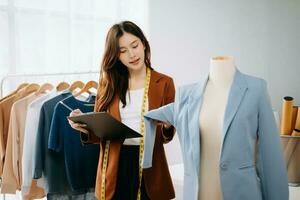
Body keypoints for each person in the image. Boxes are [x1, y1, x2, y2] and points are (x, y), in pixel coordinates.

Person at [143, 56, 289, 200]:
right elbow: (149, 116)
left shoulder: (256, 89)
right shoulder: (186, 94)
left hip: (243, 192)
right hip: (198, 195)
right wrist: (147, 160)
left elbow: (270, 157)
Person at [68, 21, 175, 200]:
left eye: (134, 45)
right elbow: (101, 132)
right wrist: (84, 125)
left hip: (150, 166)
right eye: (122, 51)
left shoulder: (164, 83)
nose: (132, 54)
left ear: (144, 44)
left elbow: (167, 136)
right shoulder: (108, 85)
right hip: (115, 166)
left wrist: (167, 125)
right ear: (115, 56)